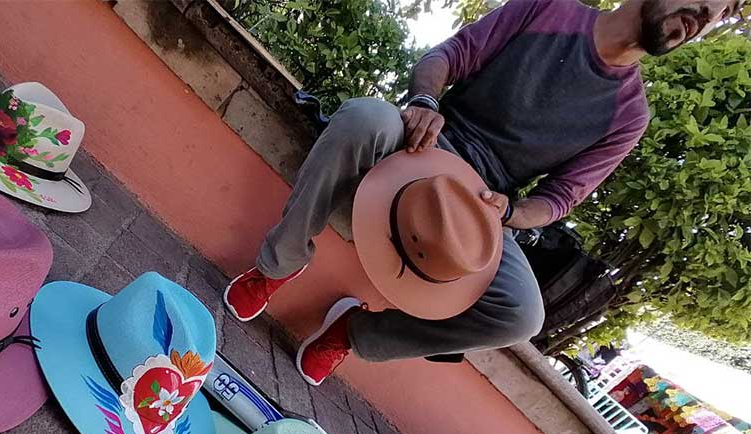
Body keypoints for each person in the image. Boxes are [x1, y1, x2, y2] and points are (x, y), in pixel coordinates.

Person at [223, 0, 743, 386]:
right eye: (700, 1)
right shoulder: (550, 9)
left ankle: (356, 335)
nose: (700, 17)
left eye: (713, 18)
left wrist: (511, 212)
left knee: (522, 315)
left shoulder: (630, 116)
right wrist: (425, 99)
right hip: (424, 140)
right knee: (363, 117)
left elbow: (560, 199)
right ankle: (278, 264)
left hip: (483, 205)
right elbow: (451, 54)